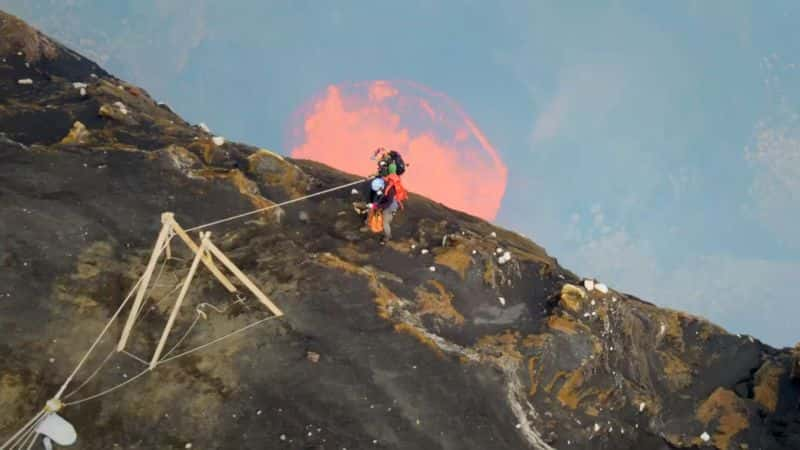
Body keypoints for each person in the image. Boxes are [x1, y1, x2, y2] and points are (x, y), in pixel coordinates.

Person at [369, 163, 408, 243]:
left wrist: (378, 206)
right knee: (385, 214)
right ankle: (389, 217)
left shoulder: (390, 188)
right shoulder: (393, 179)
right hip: (393, 203)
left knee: (385, 223)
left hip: (391, 206)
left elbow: (388, 202)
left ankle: (388, 236)